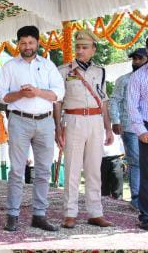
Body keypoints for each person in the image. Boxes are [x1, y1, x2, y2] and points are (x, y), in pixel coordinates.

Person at [0, 25, 63, 232]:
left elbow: (59, 93)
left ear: (37, 43)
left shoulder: (48, 65)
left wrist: (37, 92)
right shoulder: (9, 66)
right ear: (18, 44)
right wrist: (20, 94)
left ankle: (39, 215)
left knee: (43, 170)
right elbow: (2, 96)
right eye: (23, 43)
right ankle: (13, 215)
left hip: (45, 121)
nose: (27, 46)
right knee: (17, 170)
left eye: (31, 43)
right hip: (19, 120)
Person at [55, 30, 114, 228]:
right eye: (78, 47)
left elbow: (103, 101)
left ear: (93, 50)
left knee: (93, 168)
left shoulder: (100, 71)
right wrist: (58, 127)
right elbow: (58, 102)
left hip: (96, 120)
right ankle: (70, 213)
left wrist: (108, 128)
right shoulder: (64, 70)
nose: (80, 51)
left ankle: (95, 212)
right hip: (73, 119)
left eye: (84, 47)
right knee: (72, 168)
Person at [113, 48, 148, 205]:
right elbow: (114, 100)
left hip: (144, 124)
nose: (136, 62)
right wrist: (115, 120)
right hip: (130, 127)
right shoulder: (124, 80)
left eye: (139, 59)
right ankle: (136, 199)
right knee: (136, 162)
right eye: (134, 59)